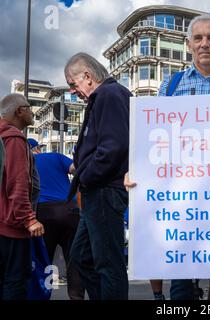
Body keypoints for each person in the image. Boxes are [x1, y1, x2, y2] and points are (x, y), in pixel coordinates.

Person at [125, 14, 210, 300]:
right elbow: (153, 139)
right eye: (198, 38)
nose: (205, 44)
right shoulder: (171, 86)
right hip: (181, 201)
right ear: (188, 44)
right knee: (180, 287)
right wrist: (136, 172)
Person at [65, 52, 131, 300]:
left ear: (87, 76)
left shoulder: (109, 95)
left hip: (104, 190)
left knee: (107, 263)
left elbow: (113, 146)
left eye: (73, 84)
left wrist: (87, 176)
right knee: (83, 258)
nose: (73, 90)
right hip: (99, 190)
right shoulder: (108, 95)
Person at [0, 93, 45, 300]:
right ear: (19, 111)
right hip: (11, 227)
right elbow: (17, 183)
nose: (32, 111)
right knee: (15, 282)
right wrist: (29, 218)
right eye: (29, 107)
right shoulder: (15, 138)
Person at [31, 143, 84, 300]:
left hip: (43, 211)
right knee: (74, 259)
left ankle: (44, 295)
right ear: (37, 149)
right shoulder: (55, 156)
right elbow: (76, 169)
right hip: (69, 210)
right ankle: (77, 297)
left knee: (44, 260)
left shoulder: (27, 160)